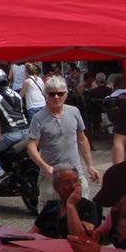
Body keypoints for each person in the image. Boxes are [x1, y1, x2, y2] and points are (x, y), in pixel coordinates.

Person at [26, 75, 100, 210]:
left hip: (75, 173)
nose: (56, 97)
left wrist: (90, 165)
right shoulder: (38, 117)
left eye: (60, 93)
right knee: (48, 219)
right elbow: (31, 146)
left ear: (66, 94)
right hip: (51, 176)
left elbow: (82, 139)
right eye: (52, 94)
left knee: (80, 213)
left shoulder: (74, 112)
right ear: (45, 95)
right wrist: (45, 167)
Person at [31, 165, 100, 239]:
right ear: (56, 187)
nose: (73, 186)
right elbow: (32, 234)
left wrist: (71, 206)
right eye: (67, 182)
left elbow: (80, 237)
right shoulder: (50, 207)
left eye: (76, 181)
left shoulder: (88, 207)